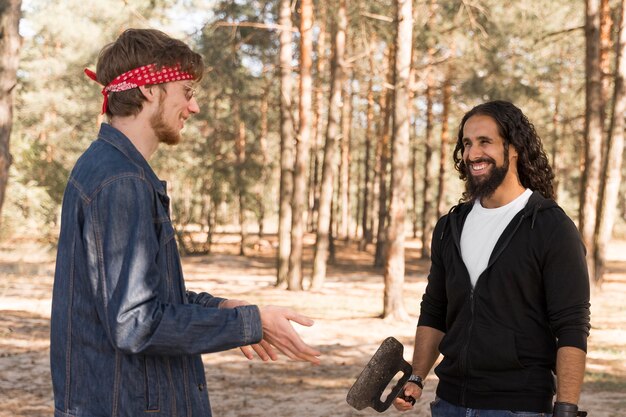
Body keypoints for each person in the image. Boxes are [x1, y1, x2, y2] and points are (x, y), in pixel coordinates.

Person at [50, 28, 321, 417]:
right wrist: (249, 324)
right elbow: (135, 322)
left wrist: (228, 309)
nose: (193, 108)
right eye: (187, 93)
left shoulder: (119, 171)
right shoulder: (120, 181)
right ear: (149, 90)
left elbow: (145, 298)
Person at [393, 100, 590, 417]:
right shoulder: (450, 227)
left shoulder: (550, 226)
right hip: (449, 403)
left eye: (485, 142)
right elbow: (435, 310)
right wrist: (416, 377)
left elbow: (572, 326)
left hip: (518, 406)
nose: (472, 154)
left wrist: (566, 408)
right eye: (467, 143)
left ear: (513, 148)